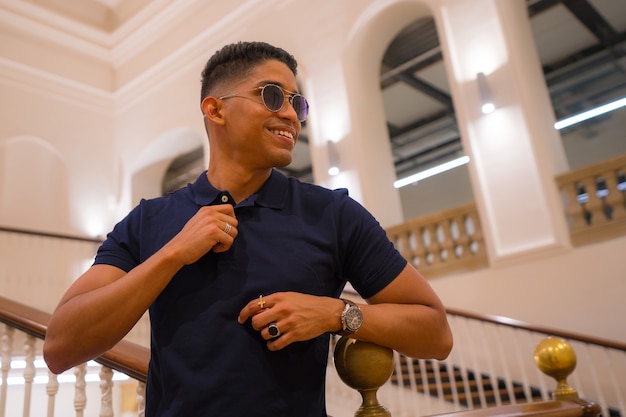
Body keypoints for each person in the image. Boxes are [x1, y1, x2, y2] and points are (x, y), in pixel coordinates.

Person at [43, 41, 452, 417]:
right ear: (215, 110)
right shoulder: (149, 221)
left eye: (298, 103)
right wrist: (172, 254)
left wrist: (335, 313)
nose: (291, 114)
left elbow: (435, 332)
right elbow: (60, 347)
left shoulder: (332, 214)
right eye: (272, 95)